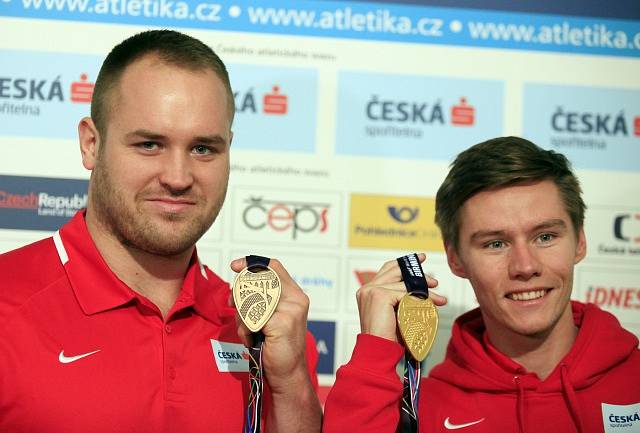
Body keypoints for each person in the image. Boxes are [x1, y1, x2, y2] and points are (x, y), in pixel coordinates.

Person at [0, 30, 321, 433]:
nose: (178, 177)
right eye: (150, 144)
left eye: (203, 148)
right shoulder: (7, 302)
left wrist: (290, 384)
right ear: (90, 144)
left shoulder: (266, 332)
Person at [323, 137, 640, 433]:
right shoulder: (420, 411)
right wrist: (375, 351)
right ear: (456, 259)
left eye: (545, 237)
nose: (525, 267)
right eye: (495, 244)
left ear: (580, 241)